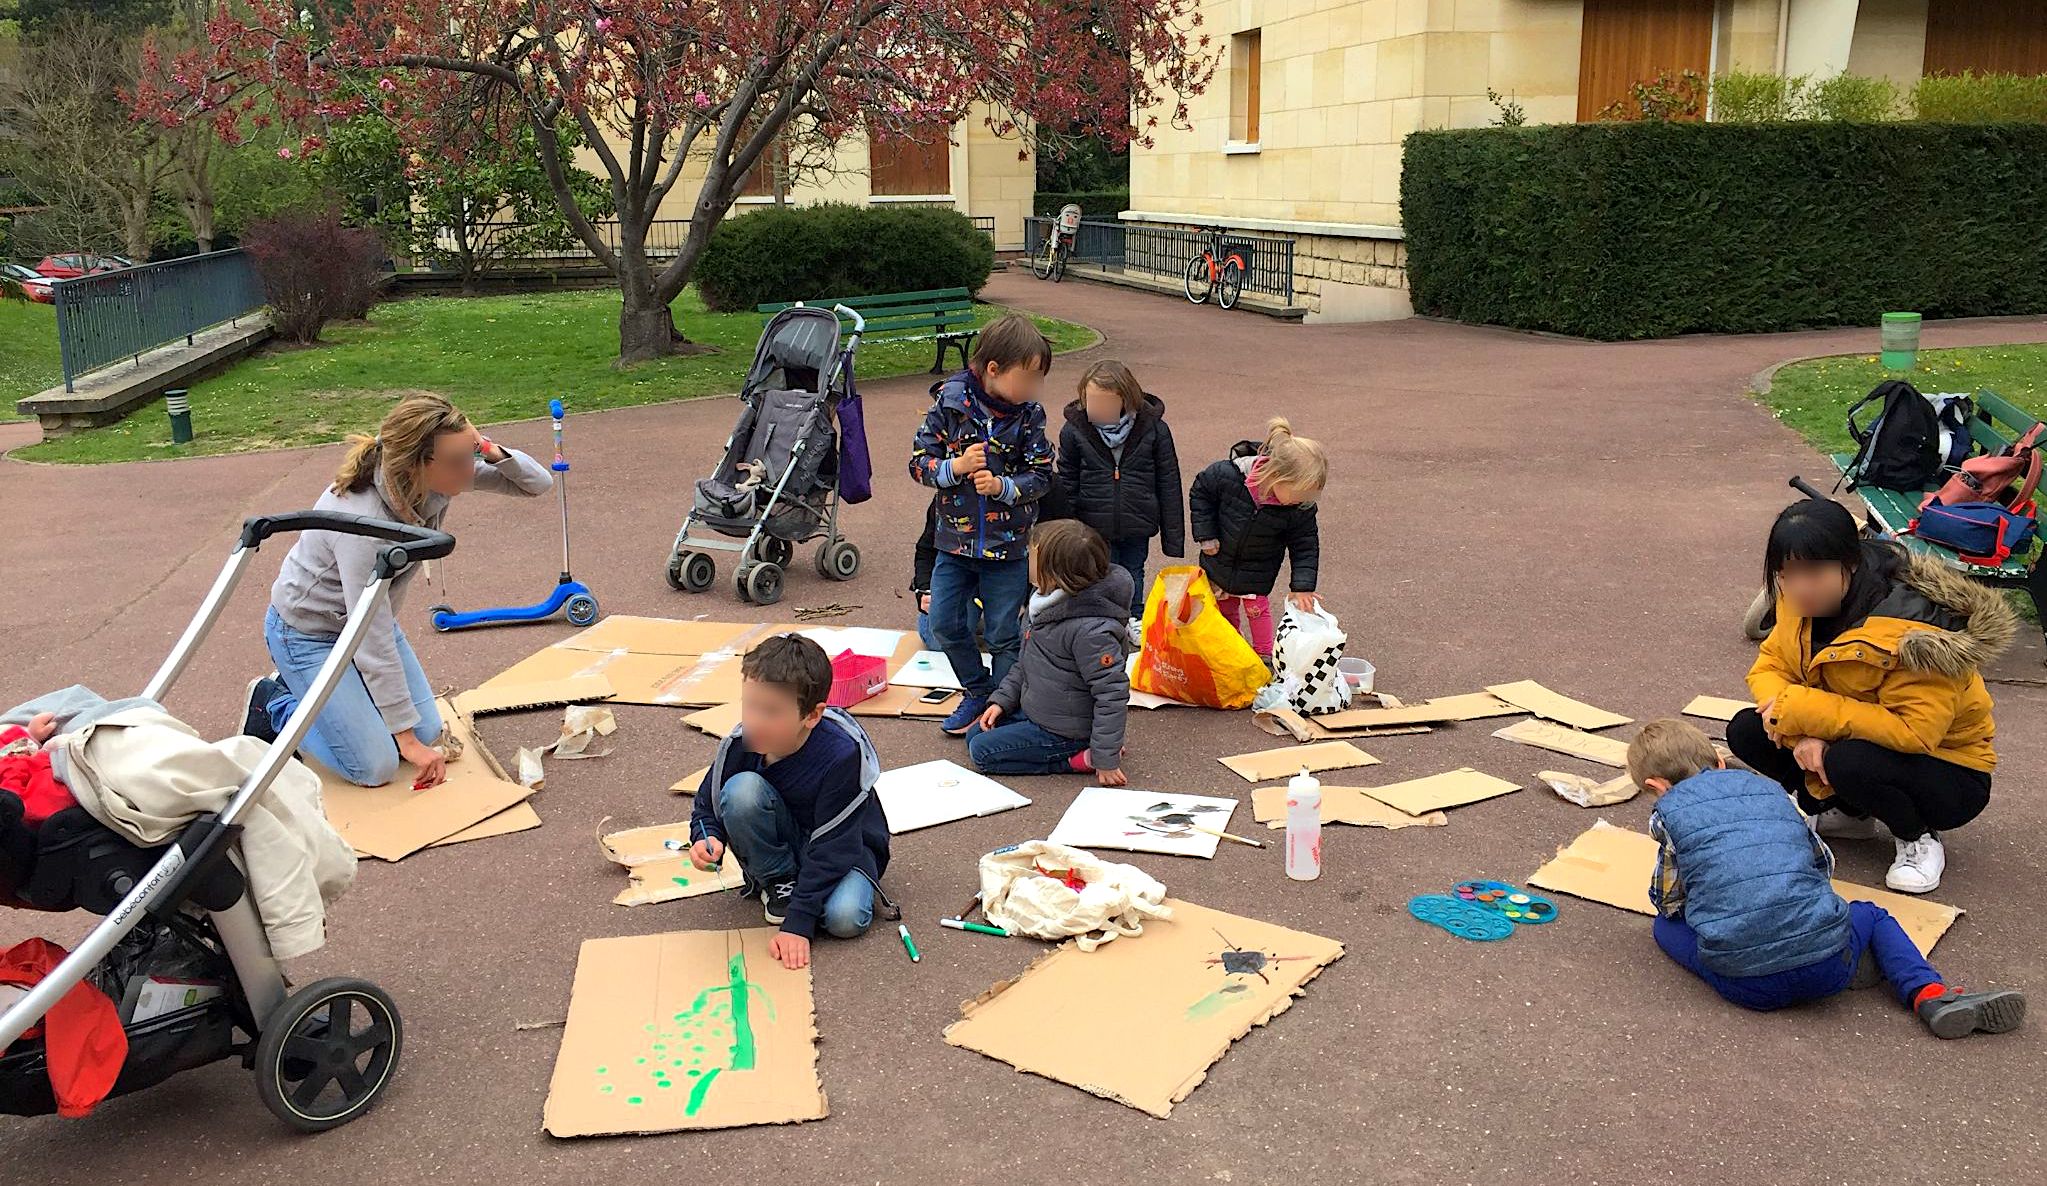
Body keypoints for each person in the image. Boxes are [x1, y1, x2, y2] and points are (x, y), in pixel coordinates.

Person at [1631, 718, 2023, 1037]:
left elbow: (1668, 897)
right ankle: (1928, 993)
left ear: (1656, 787)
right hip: (1828, 966)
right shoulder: (1770, 793)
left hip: (1750, 987)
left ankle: (1779, 958)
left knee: (1665, 928)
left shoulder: (1669, 815)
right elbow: (1822, 863)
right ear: (1719, 761)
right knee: (1871, 914)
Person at [245, 394, 553, 787]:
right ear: (417, 462)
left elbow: (536, 484)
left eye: (470, 453)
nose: (470, 467)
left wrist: (486, 446)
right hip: (309, 635)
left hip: (369, 620)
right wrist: (403, 740)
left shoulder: (435, 474)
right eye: (460, 459)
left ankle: (347, 704)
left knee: (429, 735)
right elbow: (369, 635)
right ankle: (278, 702)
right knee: (375, 766)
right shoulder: (363, 523)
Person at [1735, 498, 2013, 894]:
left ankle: (1918, 839)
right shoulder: (1798, 602)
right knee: (1747, 730)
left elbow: (1916, 732)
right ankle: (1848, 812)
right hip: (1858, 739)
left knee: (1848, 760)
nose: (1799, 587)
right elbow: (1769, 668)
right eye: (1786, 574)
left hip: (1949, 769)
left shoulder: (1916, 634)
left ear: (1849, 562)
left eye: (1813, 573)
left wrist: (1802, 711)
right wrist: (1802, 733)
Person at [686, 635, 889, 970]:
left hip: (841, 850)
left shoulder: (842, 755)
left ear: (812, 715)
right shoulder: (740, 743)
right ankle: (780, 880)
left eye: (771, 711)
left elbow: (833, 847)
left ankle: (804, 895)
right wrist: (706, 838)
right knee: (741, 791)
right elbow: (708, 805)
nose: (754, 720)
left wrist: (798, 924)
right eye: (750, 705)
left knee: (846, 919)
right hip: (786, 842)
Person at [908, 314, 1056, 735]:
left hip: (1007, 548)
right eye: (1027, 378)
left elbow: (1043, 474)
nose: (1033, 389)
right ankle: (978, 691)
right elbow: (918, 464)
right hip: (953, 544)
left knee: (1004, 634)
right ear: (993, 370)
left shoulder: (1029, 415)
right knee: (943, 624)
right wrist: (953, 466)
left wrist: (1005, 486)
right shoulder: (949, 406)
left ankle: (1002, 709)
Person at [965, 521, 1131, 782]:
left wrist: (1105, 758)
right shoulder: (1045, 602)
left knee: (982, 752)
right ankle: (1082, 749)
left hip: (1066, 731)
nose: (1026, 561)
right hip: (1042, 710)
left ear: (1055, 573)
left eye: (1032, 557)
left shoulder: (1091, 631)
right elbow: (1025, 662)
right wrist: (1002, 701)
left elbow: (1111, 694)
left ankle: (1077, 759)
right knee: (975, 734)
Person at [1057, 360, 1184, 644]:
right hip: (1093, 522)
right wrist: (1068, 528)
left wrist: (1173, 537)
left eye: (1105, 402)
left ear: (1125, 399)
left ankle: (1133, 618)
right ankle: (1103, 622)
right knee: (1099, 574)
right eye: (1092, 401)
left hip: (1137, 518)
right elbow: (1067, 482)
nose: (1097, 409)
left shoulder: (1154, 429)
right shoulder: (1074, 431)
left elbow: (1168, 480)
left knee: (1132, 572)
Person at [1188, 417, 1325, 660]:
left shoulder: (1298, 509)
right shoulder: (1228, 476)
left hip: (1257, 569)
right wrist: (1206, 534)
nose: (1300, 501)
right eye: (1297, 494)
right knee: (1224, 606)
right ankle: (1231, 650)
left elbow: (1305, 545)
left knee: (1256, 610)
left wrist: (1303, 586)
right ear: (1275, 476)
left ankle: (1263, 654)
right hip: (1219, 558)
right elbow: (1201, 493)